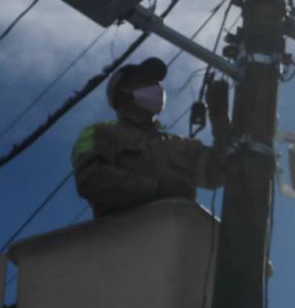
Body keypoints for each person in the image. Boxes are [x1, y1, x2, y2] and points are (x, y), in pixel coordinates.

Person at [71, 57, 231, 218]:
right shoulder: (100, 133)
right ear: (121, 93)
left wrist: (220, 117)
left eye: (155, 82)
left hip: (180, 235)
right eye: (143, 81)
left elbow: (222, 169)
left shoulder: (179, 144)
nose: (155, 88)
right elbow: (91, 179)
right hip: (126, 235)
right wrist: (157, 189)